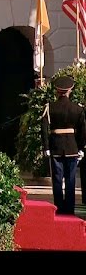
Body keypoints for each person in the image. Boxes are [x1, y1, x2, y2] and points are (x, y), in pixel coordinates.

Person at [41, 75, 86, 215]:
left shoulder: (50, 107)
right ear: (70, 90)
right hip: (72, 147)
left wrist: (46, 147)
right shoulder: (77, 109)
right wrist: (81, 147)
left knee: (57, 180)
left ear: (57, 91)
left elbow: (44, 129)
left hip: (55, 147)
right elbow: (83, 130)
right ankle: (69, 209)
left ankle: (59, 208)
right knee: (71, 180)